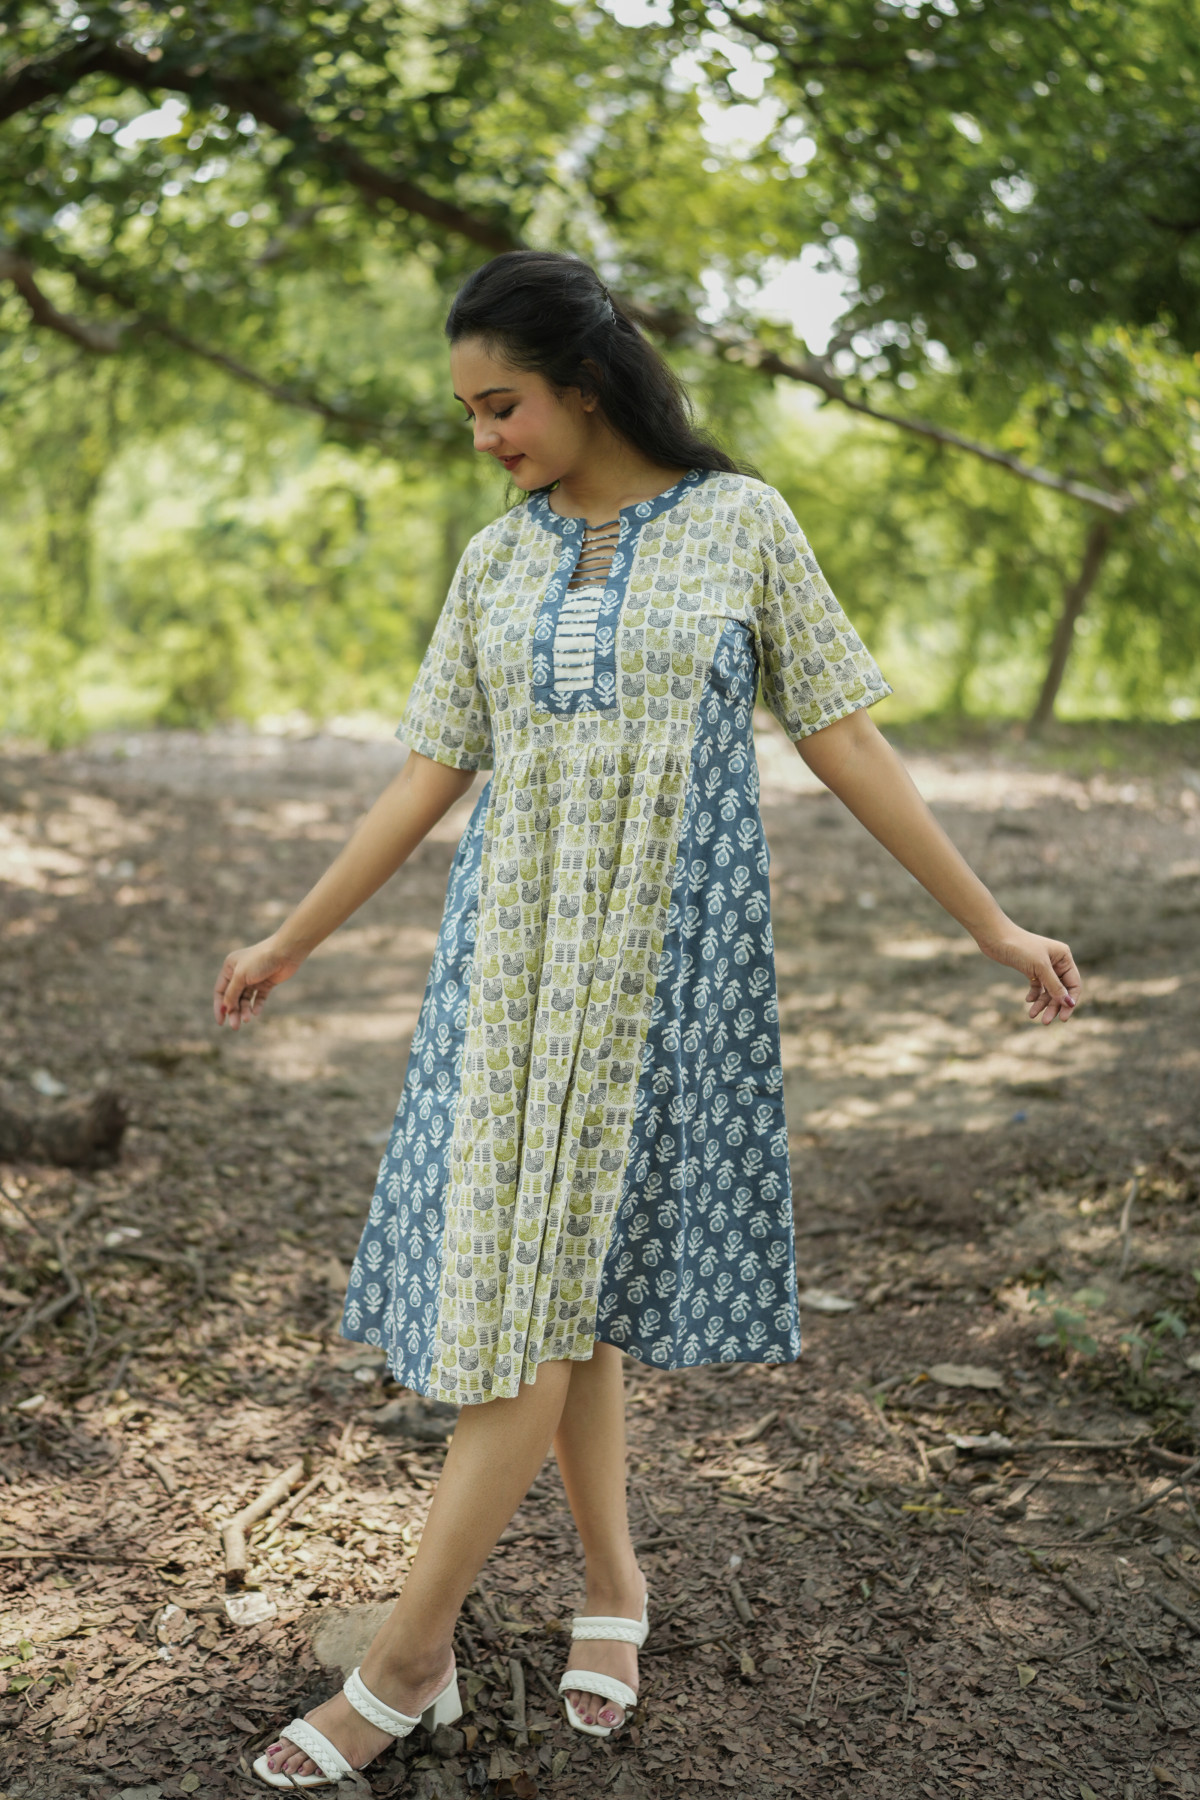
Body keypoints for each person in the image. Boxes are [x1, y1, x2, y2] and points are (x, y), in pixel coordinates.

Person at [213, 249, 1081, 1788]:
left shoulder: (743, 524)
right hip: (509, 976)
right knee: (558, 1297)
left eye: (501, 405)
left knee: (540, 1311)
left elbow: (844, 736)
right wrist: (290, 937)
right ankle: (612, 1586)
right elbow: (428, 770)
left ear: (585, 384)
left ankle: (405, 1662)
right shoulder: (498, 561)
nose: (485, 435)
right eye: (470, 413)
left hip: (663, 978)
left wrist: (991, 922)